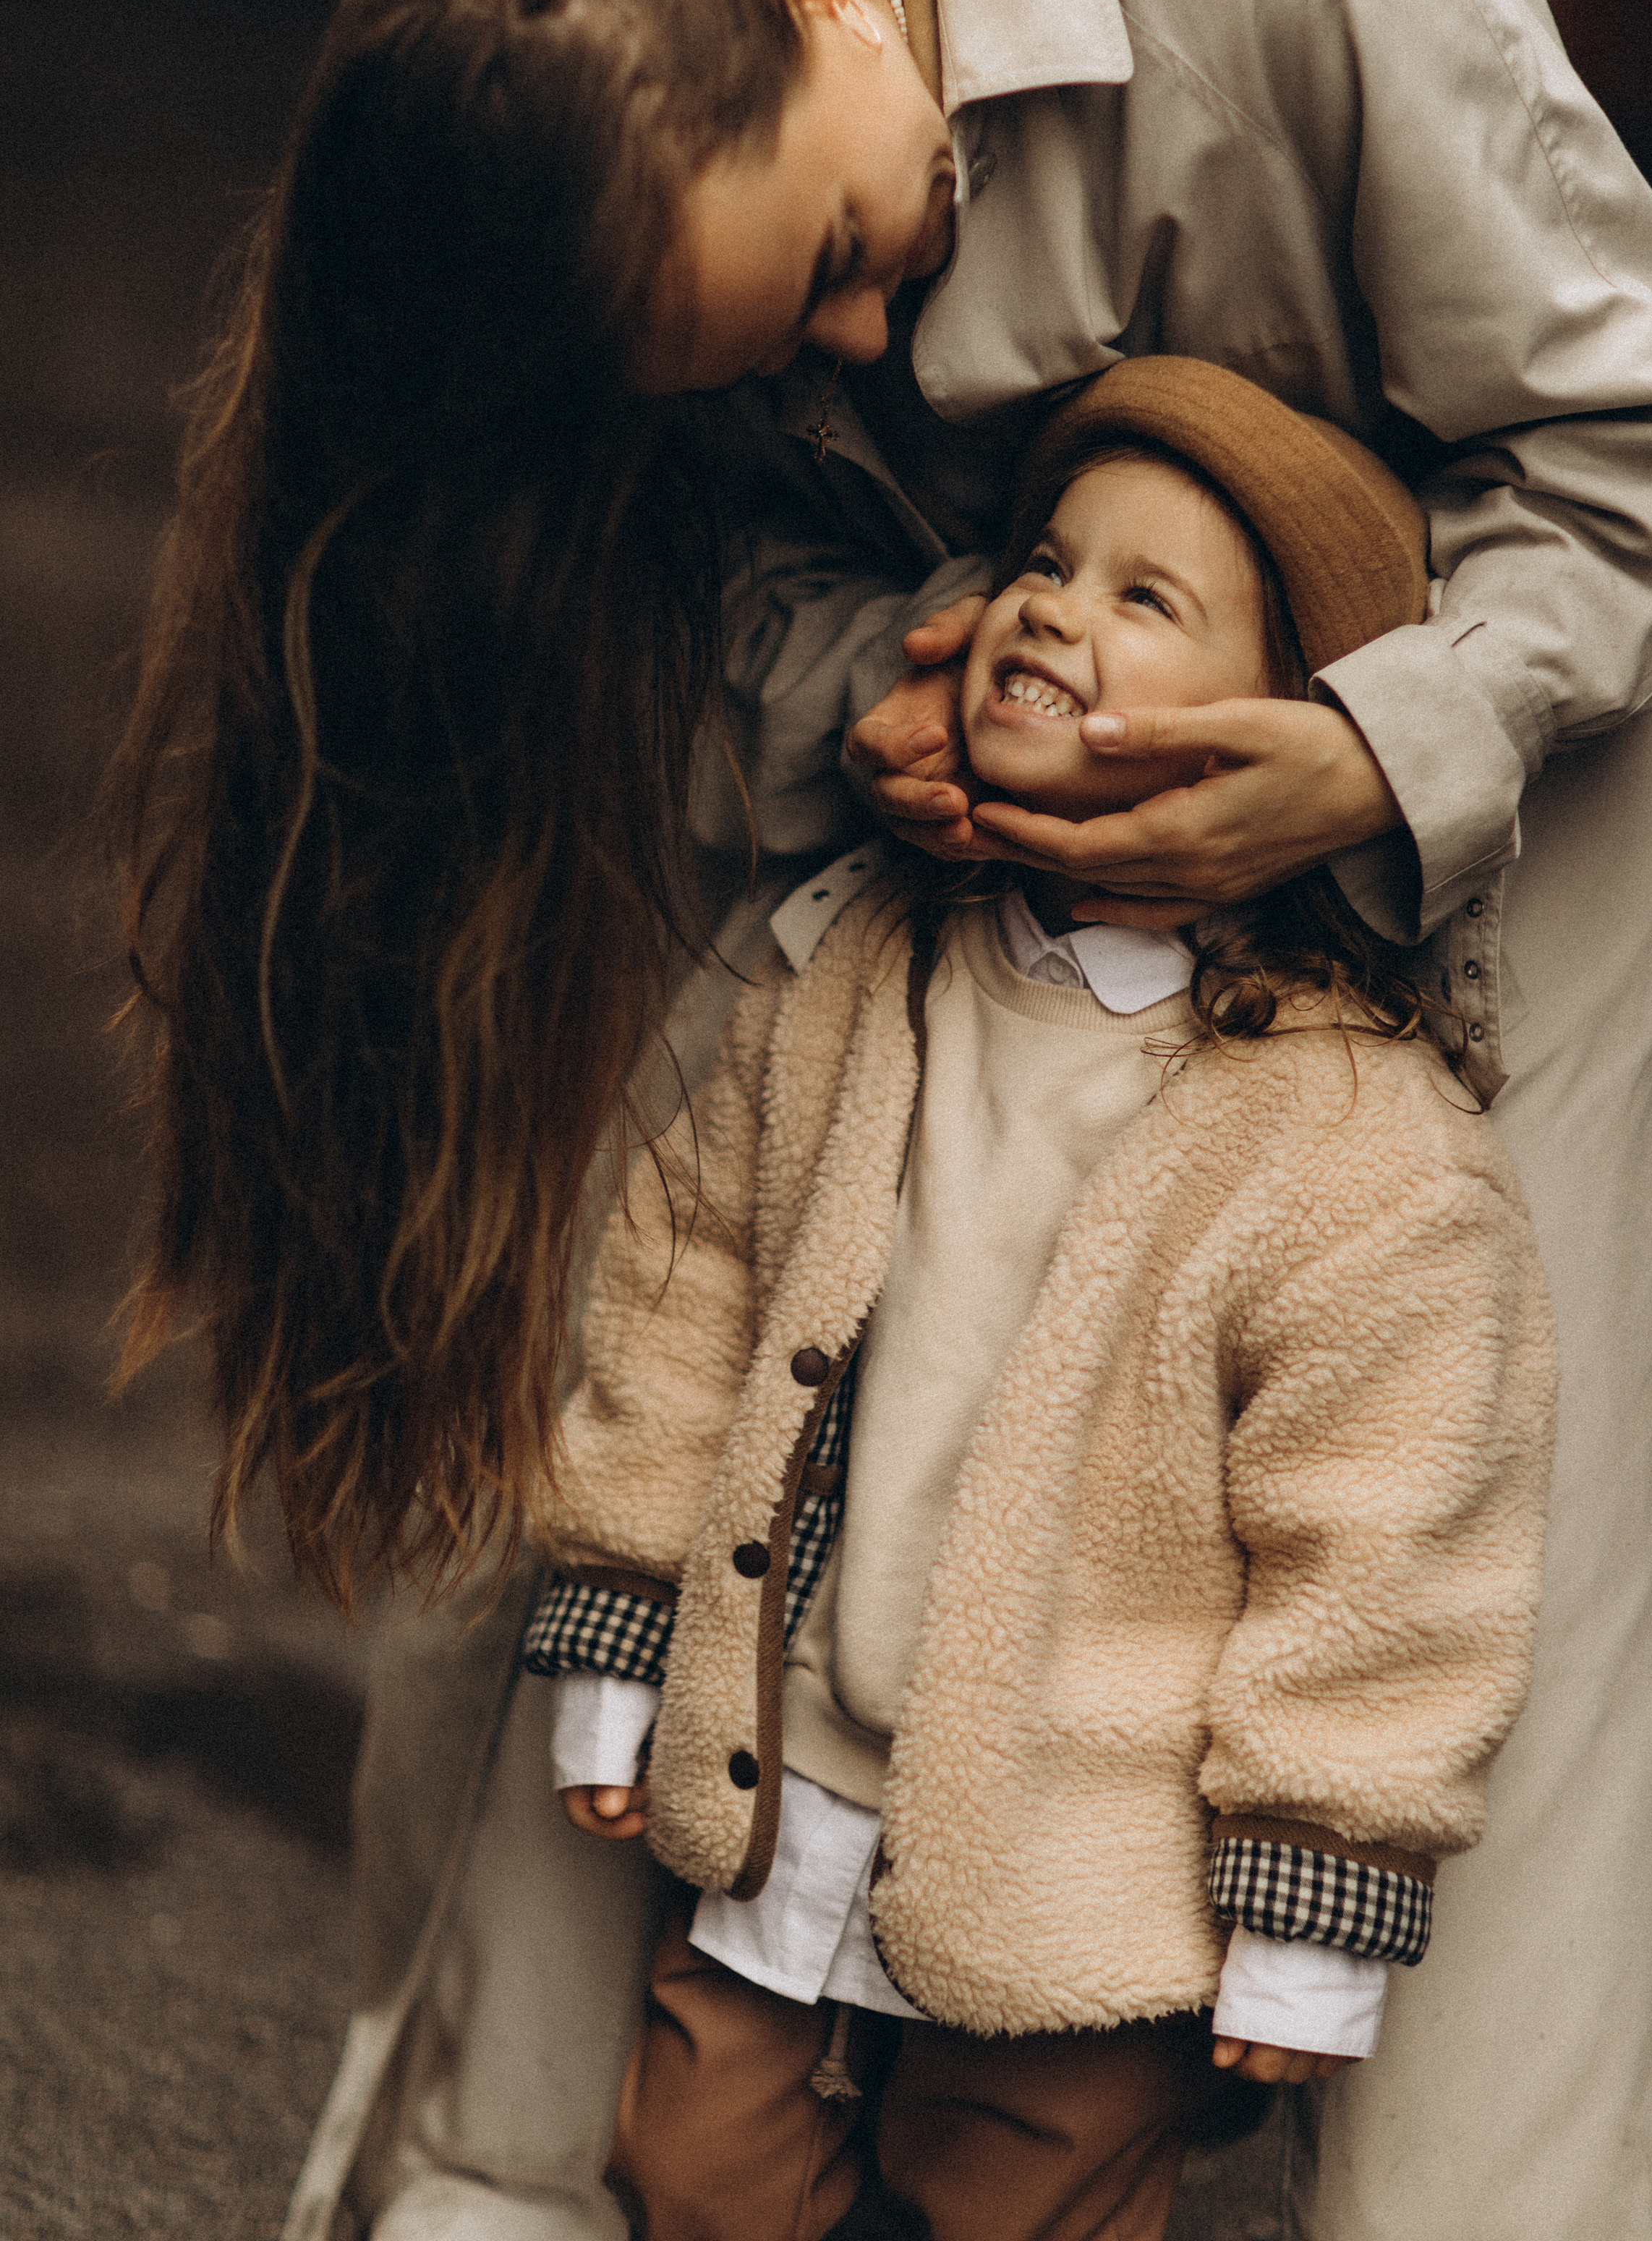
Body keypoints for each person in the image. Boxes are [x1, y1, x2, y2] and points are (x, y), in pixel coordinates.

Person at [106, 0, 1652, 2237]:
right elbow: (736, 593)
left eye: (846, 268)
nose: (861, 358)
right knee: (724, 1334)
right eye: (779, 355)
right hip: (949, 900)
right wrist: (870, 674)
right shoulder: (709, 226)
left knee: (1452, 1544)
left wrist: (1360, 750)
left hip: (1487, 812)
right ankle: (550, 2154)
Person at [521, 361, 1559, 2241]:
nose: (1054, 611)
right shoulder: (856, 973)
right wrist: (615, 1629)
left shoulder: (1350, 1140)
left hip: (1090, 1856)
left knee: (1022, 2200)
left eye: (1143, 600)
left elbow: (1396, 1536)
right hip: (798, 1760)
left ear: (1288, 731)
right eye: (1046, 560)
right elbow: (688, 1287)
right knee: (693, 2160)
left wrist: (1316, 1885)